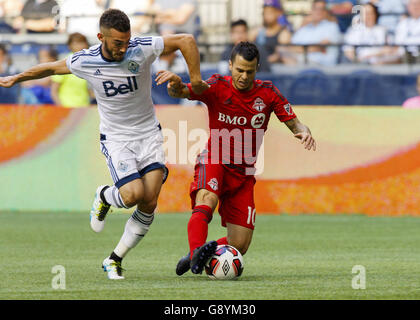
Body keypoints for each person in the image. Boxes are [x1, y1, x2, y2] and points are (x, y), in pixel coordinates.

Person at [0, 8, 206, 280]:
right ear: (101, 37)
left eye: (127, 41)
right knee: (132, 194)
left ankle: (114, 259)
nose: (124, 47)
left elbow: (186, 41)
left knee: (149, 200)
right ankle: (105, 196)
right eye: (118, 43)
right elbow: (51, 67)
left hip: (148, 134)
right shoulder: (85, 61)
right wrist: (17, 78)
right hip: (117, 138)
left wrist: (196, 81)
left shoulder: (140, 48)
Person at [155, 41, 316, 276]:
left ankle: (193, 255)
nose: (243, 76)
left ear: (257, 68)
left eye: (249, 71)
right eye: (239, 70)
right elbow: (183, 91)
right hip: (215, 160)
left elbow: (295, 122)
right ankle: (197, 252)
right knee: (206, 200)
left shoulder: (268, 93)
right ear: (231, 65)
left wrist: (304, 131)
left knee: (239, 244)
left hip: (244, 173)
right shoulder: (217, 86)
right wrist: (175, 85)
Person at [280, 0, 342, 66]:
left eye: (322, 9)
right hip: (301, 60)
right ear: (311, 10)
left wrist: (298, 49)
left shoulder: (332, 26)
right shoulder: (305, 27)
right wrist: (302, 24)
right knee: (281, 50)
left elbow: (319, 47)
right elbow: (291, 46)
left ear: (326, 11)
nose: (319, 11)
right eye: (316, 9)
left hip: (321, 63)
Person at [51, 33, 92, 107]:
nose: (80, 46)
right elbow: (54, 91)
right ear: (69, 46)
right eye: (76, 43)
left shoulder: (89, 64)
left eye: (82, 42)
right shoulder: (64, 63)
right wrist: (61, 108)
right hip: (67, 108)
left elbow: (89, 90)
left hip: (84, 109)